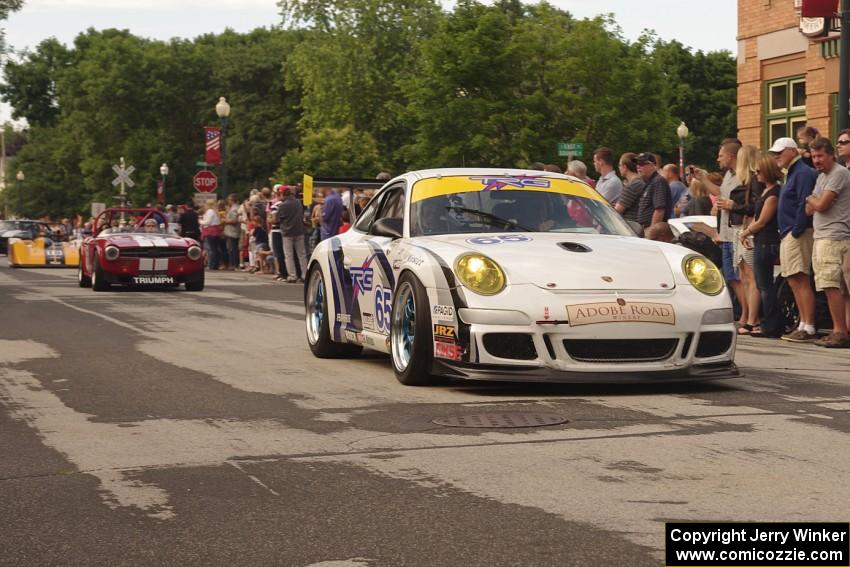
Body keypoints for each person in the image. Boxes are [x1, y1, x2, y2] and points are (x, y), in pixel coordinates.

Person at [770, 136, 818, 342]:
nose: (776, 157)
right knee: (793, 279)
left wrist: (796, 230)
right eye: (774, 154)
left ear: (793, 151)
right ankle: (802, 323)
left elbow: (804, 203)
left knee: (800, 278)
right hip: (789, 232)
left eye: (780, 152)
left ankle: (808, 326)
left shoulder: (803, 173)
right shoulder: (793, 173)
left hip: (796, 232)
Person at [804, 138, 850, 347]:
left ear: (832, 155)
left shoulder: (839, 173)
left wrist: (812, 199)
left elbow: (819, 204)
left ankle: (839, 330)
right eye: (813, 157)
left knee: (833, 286)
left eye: (820, 156)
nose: (816, 160)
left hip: (834, 236)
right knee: (833, 286)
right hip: (822, 235)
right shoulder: (821, 177)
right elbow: (809, 209)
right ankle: (841, 329)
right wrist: (813, 201)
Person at [694, 140, 744, 311]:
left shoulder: (742, 174)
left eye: (721, 155)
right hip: (725, 233)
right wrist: (703, 179)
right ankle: (745, 313)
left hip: (737, 232)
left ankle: (748, 315)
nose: (718, 159)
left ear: (731, 156)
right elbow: (720, 193)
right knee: (730, 277)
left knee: (739, 277)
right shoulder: (729, 175)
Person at [739, 155, 783, 338]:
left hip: (767, 240)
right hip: (760, 240)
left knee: (765, 285)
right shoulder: (766, 191)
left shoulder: (774, 194)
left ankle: (771, 325)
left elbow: (763, 221)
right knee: (763, 283)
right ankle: (770, 323)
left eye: (759, 171)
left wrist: (745, 232)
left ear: (768, 171)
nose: (756, 174)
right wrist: (749, 232)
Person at [279, 186, 309, 283]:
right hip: (299, 230)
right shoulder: (298, 202)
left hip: (287, 232)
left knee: (289, 255)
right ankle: (305, 275)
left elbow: (278, 218)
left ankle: (292, 276)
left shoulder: (282, 205)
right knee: (302, 254)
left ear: (283, 194)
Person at [634, 152, 671, 228]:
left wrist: (651, 232)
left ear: (652, 166)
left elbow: (659, 210)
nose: (638, 166)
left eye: (642, 164)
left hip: (652, 229)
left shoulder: (658, 181)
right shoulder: (649, 182)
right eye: (637, 163)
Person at [614, 153, 644, 222]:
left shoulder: (633, 185)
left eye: (619, 165)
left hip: (630, 225)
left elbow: (617, 210)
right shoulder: (641, 181)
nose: (619, 167)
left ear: (625, 167)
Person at [199, 202, 222, 270]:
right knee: (215, 249)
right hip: (215, 231)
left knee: (211, 249)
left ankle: (212, 265)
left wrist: (200, 221)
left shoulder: (210, 211)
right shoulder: (215, 211)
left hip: (210, 232)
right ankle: (215, 264)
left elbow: (207, 222)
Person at [223, 193, 241, 271]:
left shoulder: (234, 209)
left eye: (229, 200)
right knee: (232, 248)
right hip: (231, 231)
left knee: (232, 248)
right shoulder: (234, 208)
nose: (228, 201)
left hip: (232, 232)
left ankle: (234, 264)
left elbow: (234, 221)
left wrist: (225, 221)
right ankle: (233, 264)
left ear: (232, 200)